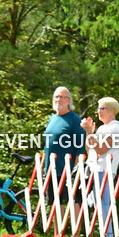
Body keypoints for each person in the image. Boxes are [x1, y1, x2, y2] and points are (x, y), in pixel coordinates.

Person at [81, 97, 119, 232]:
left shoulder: (116, 128)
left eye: (102, 108)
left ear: (112, 111)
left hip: (105, 170)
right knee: (97, 203)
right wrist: (89, 133)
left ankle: (108, 235)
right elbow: (89, 150)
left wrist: (90, 133)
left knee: (103, 203)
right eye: (98, 108)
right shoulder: (102, 128)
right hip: (95, 168)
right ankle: (105, 234)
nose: (98, 111)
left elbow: (101, 149)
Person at [42, 87, 86, 217]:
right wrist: (42, 165)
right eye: (56, 97)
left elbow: (80, 146)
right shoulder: (52, 119)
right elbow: (47, 145)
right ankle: (58, 229)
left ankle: (76, 230)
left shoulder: (74, 119)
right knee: (54, 202)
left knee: (73, 200)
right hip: (51, 168)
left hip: (68, 169)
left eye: (62, 97)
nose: (58, 100)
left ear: (68, 100)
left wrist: (76, 169)